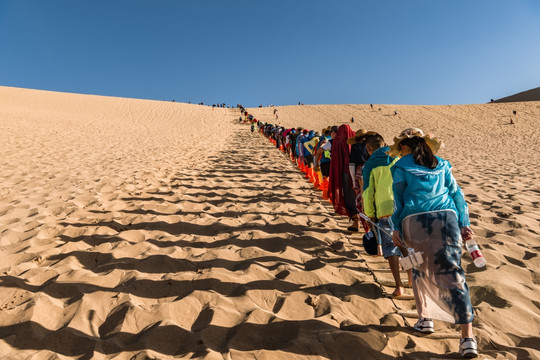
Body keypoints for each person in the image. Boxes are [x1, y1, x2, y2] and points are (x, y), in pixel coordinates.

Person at [388, 128, 477, 358]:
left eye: (401, 148)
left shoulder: (400, 166)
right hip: (446, 219)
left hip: (413, 221)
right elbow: (458, 194)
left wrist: (395, 227)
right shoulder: (442, 164)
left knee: (418, 268)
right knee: (453, 272)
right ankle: (468, 337)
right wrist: (464, 222)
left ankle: (425, 319)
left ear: (405, 147)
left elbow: (396, 200)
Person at [362, 134, 403, 297]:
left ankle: (399, 286)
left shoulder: (369, 165)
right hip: (402, 206)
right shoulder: (398, 156)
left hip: (384, 208)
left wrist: (370, 214)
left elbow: (368, 192)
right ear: (385, 143)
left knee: (391, 247)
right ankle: (411, 279)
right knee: (406, 245)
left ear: (368, 148)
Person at [328, 124, 360, 231]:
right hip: (360, 171)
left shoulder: (338, 141)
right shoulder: (356, 139)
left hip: (346, 172)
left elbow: (336, 160)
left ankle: (356, 222)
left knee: (349, 196)